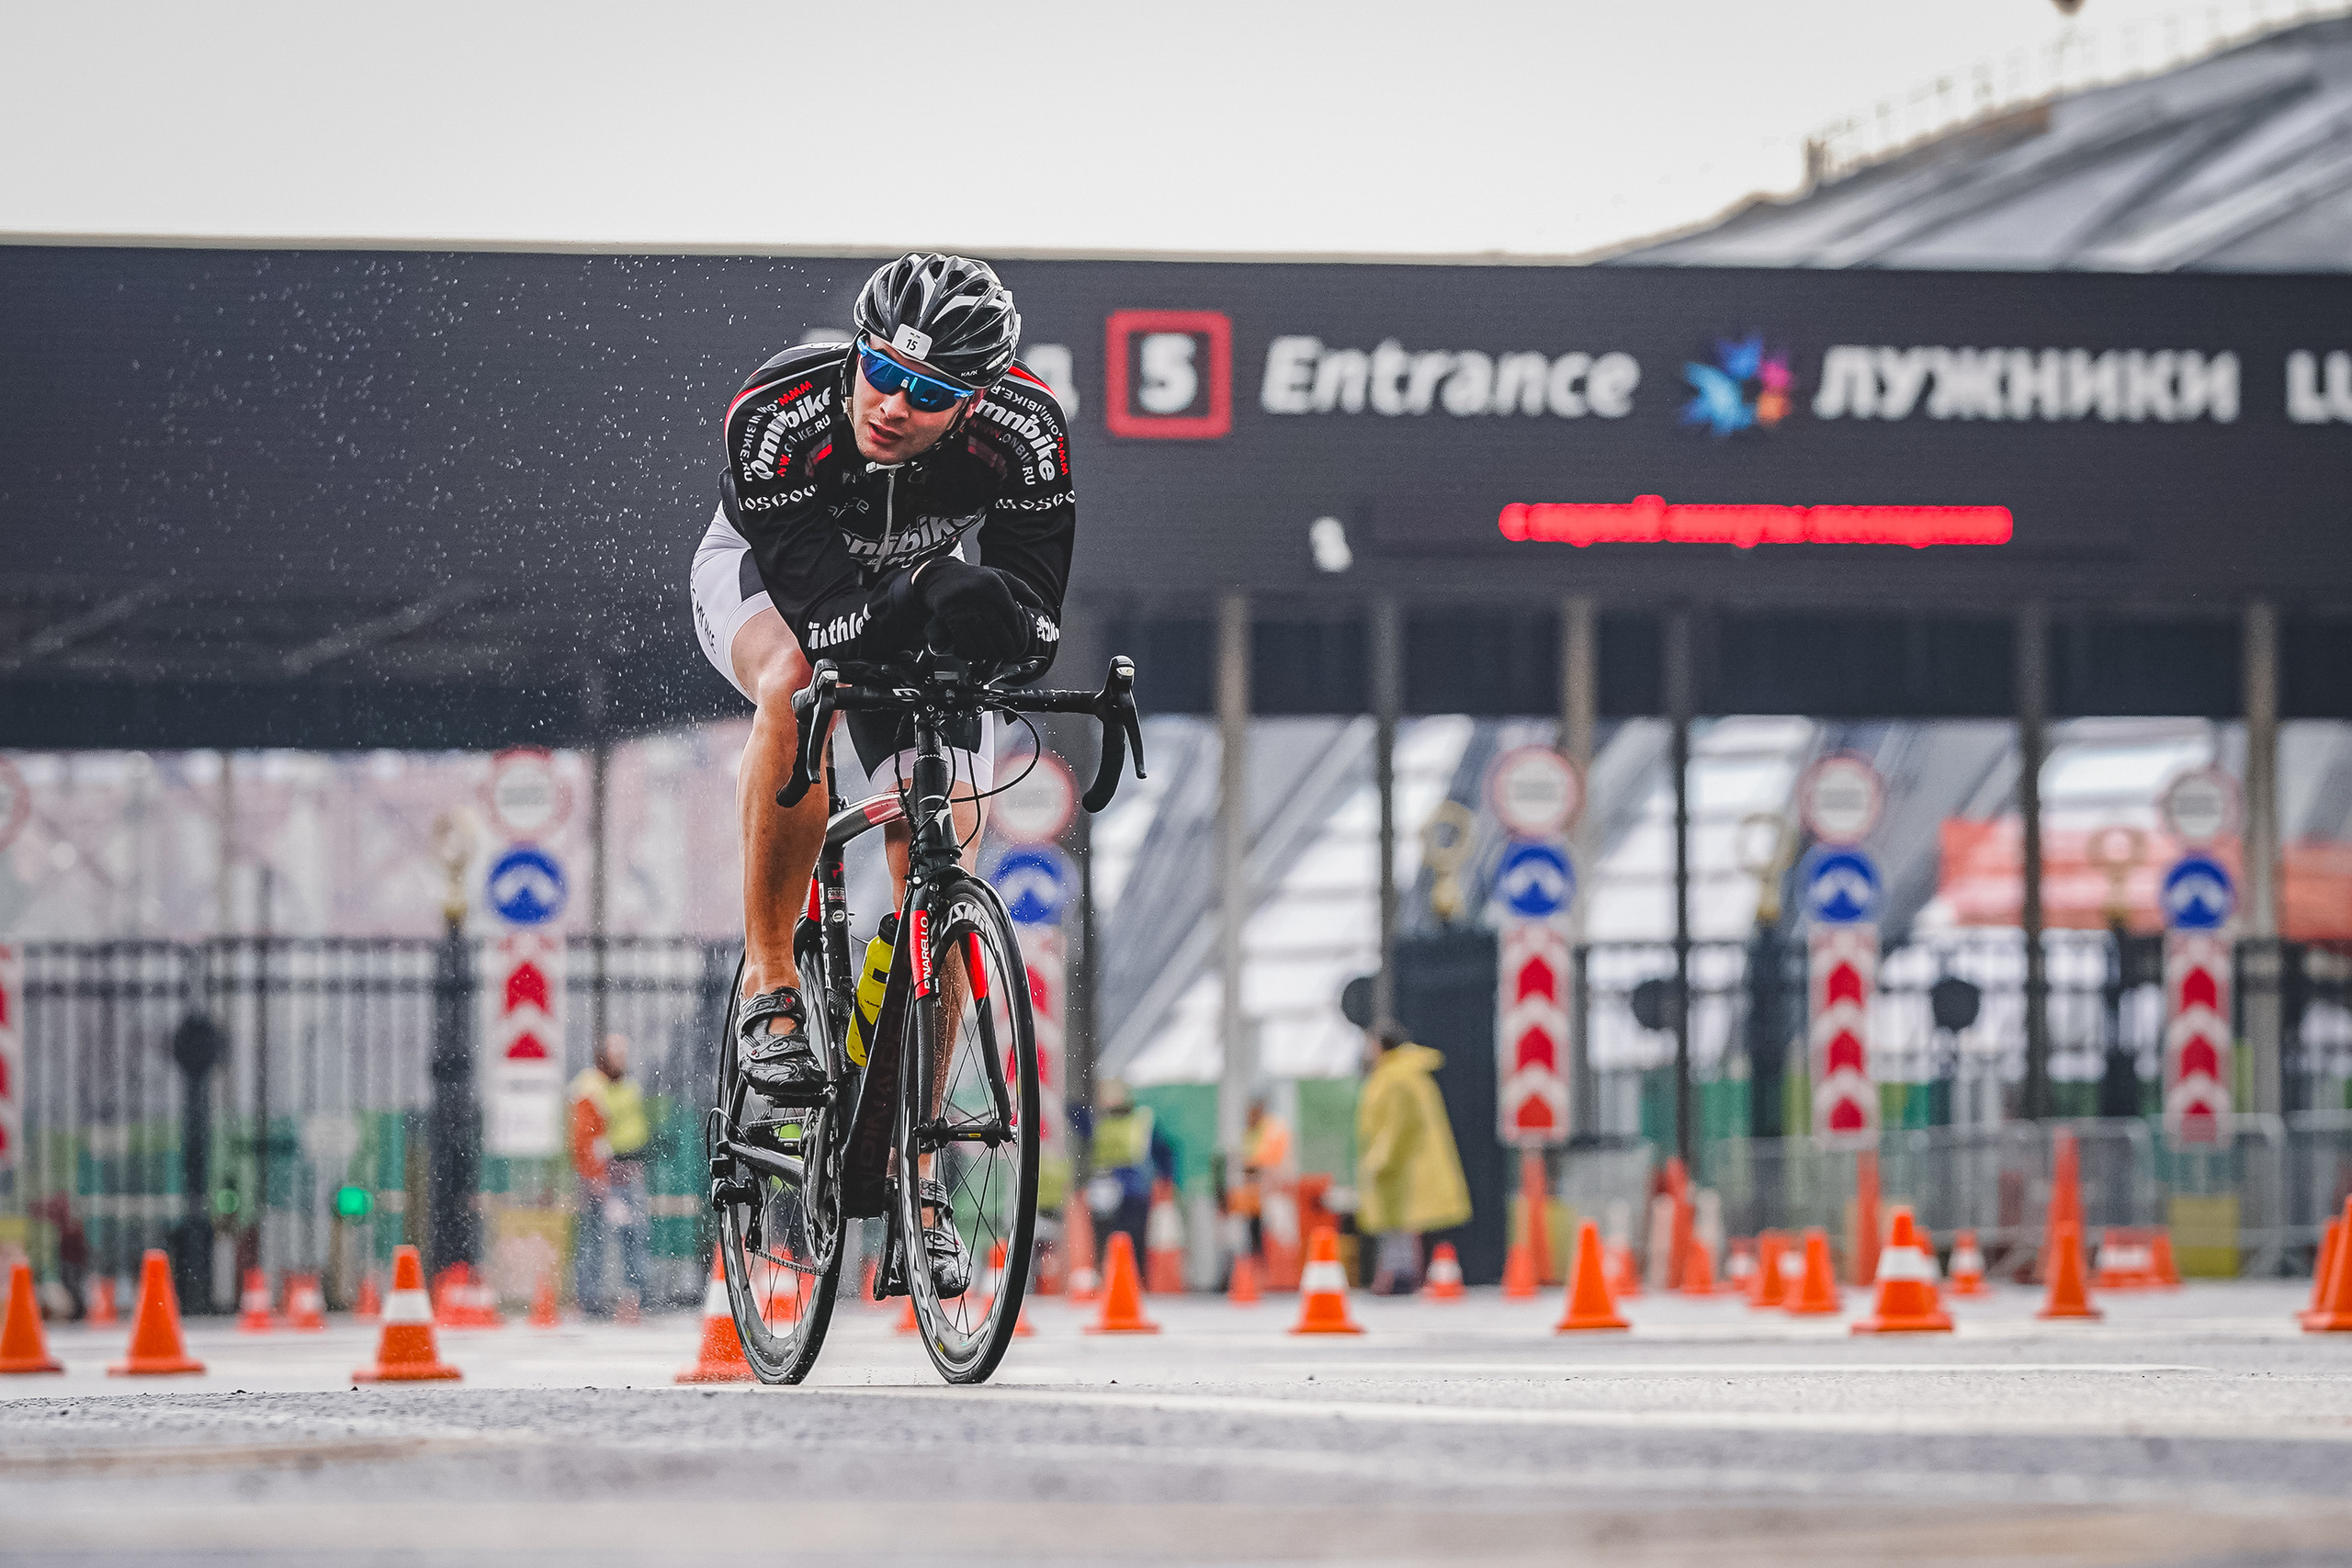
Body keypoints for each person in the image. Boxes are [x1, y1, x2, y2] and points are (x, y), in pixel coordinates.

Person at [689, 254, 1074, 1297]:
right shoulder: (780, 412)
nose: (893, 406)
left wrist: (982, 614)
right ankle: (774, 985)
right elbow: (831, 622)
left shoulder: (1028, 432)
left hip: (906, 598)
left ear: (979, 398)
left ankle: (917, 1164)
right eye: (880, 375)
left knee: (941, 848)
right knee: (798, 681)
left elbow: (1032, 623)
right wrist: (930, 588)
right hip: (773, 583)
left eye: (933, 394)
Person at [1354, 1023, 1472, 1295]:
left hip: (1402, 1164)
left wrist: (1379, 1159)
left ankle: (1400, 1277)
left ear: (1381, 1046)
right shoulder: (1406, 1073)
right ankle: (1401, 1276)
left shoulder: (1396, 1078)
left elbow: (1396, 1125)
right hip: (1407, 1161)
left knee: (1399, 1222)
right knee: (1402, 1224)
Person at [571, 1033, 651, 1317]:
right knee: (596, 1237)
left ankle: (632, 1297)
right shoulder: (591, 1088)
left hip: (626, 1171)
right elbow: (585, 1139)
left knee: (631, 1235)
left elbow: (633, 1128)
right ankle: (591, 1300)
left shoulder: (626, 1087)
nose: (622, 1061)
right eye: (617, 1055)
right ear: (603, 1058)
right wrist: (596, 1178)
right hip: (605, 1173)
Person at [1080, 1078, 1176, 1266]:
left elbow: (1163, 1151)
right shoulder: (1104, 1122)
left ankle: (1124, 1277)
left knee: (1123, 1240)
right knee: (1121, 1240)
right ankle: (1119, 1277)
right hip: (1116, 1191)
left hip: (1127, 1190)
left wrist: (1165, 1178)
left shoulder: (1134, 1122)